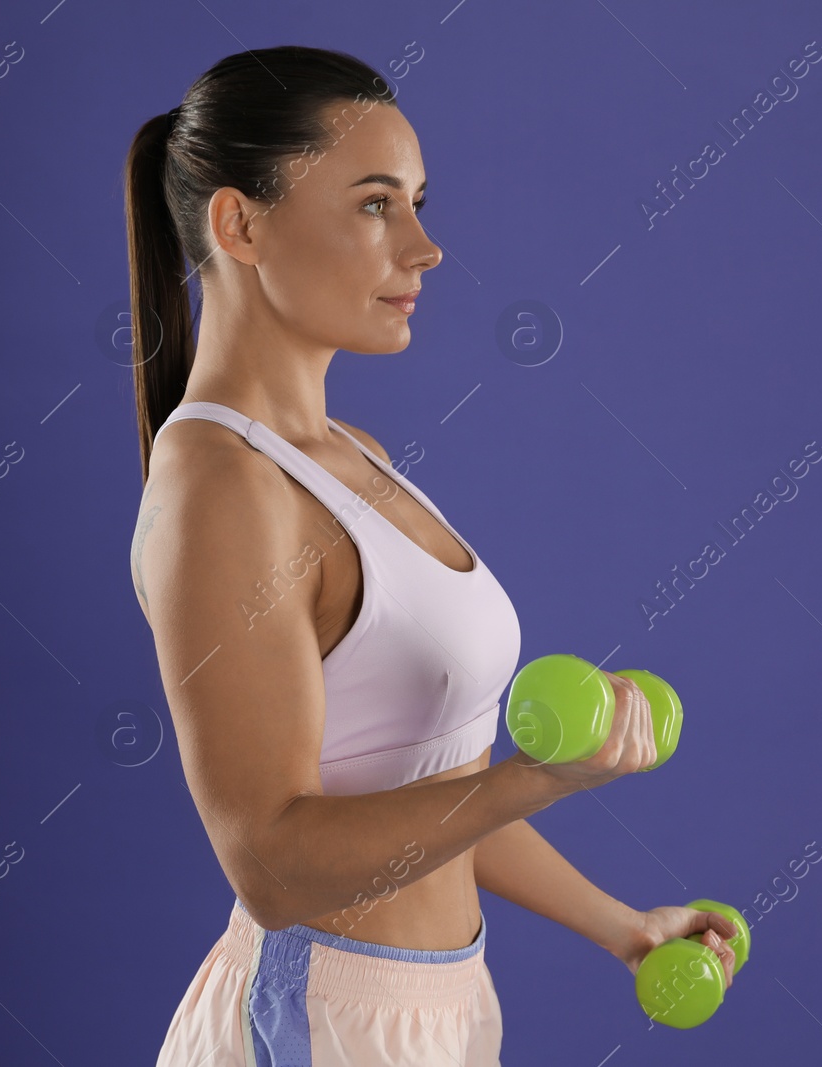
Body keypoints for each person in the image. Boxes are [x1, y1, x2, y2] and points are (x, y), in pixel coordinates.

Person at [125, 45, 736, 1066]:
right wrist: (542, 777)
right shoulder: (220, 484)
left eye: (416, 200)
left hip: (434, 1008)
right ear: (240, 223)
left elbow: (427, 786)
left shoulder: (347, 452)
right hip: (321, 1019)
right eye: (374, 204)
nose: (425, 247)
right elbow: (270, 863)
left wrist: (621, 925)